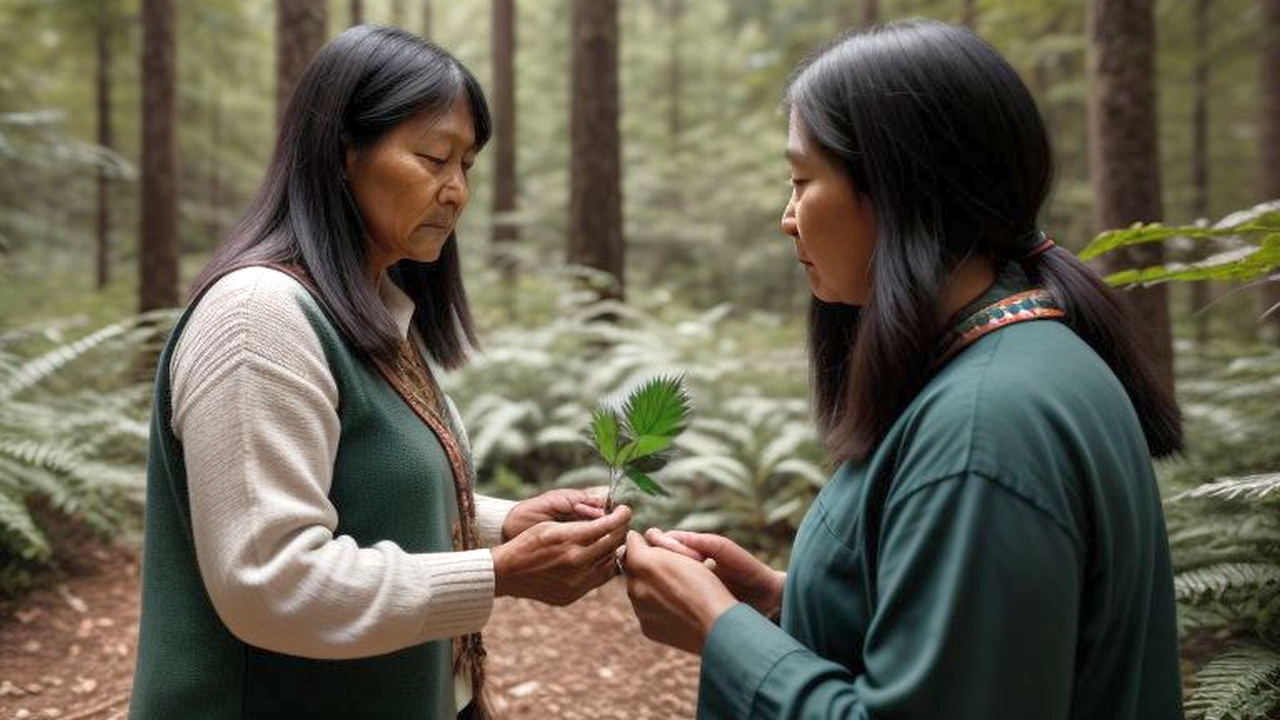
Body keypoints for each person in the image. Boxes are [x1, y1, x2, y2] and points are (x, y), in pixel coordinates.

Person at [621, 19, 1184, 720]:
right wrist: (785, 598)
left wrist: (720, 631)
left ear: (895, 189)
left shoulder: (984, 429)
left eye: (801, 179)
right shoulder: (1022, 362)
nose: (787, 217)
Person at [129, 25, 630, 720]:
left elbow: (366, 491)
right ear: (341, 153)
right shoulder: (258, 317)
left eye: (468, 165)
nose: (456, 191)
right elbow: (271, 580)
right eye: (432, 157)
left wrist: (505, 524)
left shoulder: (372, 311)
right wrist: (496, 575)